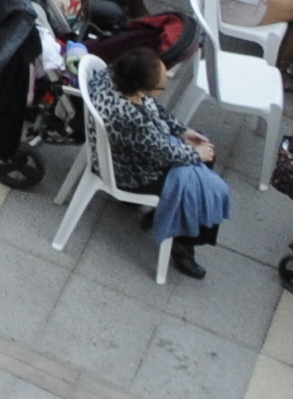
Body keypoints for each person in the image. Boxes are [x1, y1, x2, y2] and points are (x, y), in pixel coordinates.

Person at [84, 46, 232, 279]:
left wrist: (183, 131)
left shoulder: (117, 74)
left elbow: (156, 110)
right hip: (130, 173)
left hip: (124, 151)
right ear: (142, 88)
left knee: (203, 155)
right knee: (203, 183)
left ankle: (168, 216)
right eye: (161, 86)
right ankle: (184, 243)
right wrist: (197, 154)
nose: (164, 87)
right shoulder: (130, 117)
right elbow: (161, 153)